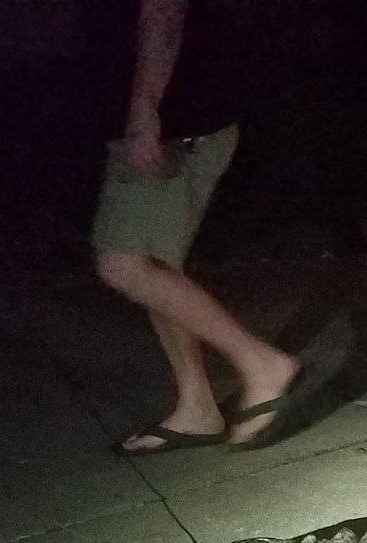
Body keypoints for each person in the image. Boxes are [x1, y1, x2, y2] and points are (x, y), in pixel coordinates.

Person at [92, 0, 303, 454]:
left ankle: (260, 362)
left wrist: (144, 111)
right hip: (169, 122)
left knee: (123, 263)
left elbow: (163, 12)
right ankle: (197, 409)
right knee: (157, 267)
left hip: (173, 125)